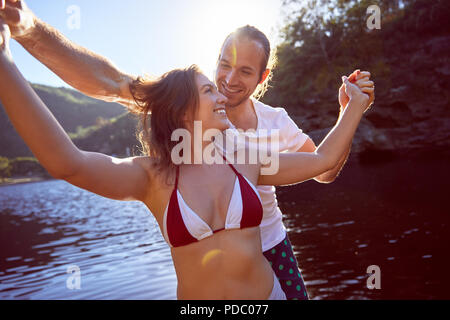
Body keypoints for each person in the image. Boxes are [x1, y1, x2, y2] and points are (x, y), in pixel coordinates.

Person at [0, 1, 374, 300]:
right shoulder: (155, 174)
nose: (226, 83)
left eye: (244, 71)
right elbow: (78, 145)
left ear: (261, 77)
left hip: (273, 257)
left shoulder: (260, 143)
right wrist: (25, 33)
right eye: (220, 71)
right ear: (181, 110)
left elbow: (323, 165)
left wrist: (352, 108)